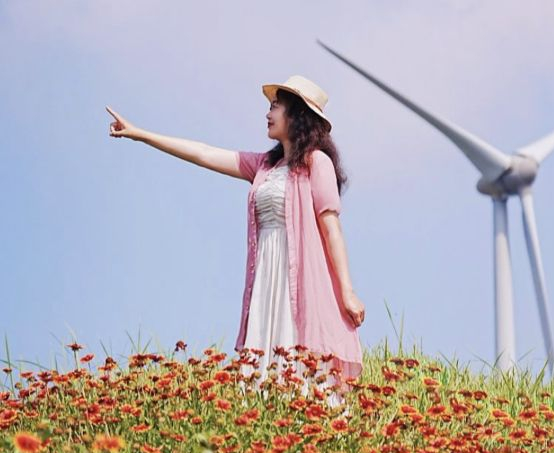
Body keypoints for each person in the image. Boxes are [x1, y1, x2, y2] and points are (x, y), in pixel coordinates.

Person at [106, 75, 365, 410]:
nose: (268, 113)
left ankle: (307, 411)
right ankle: (266, 411)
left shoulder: (317, 163)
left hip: (299, 277)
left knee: (297, 342)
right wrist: (141, 134)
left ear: (297, 114)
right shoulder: (264, 166)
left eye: (275, 106)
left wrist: (347, 291)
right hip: (266, 275)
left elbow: (332, 229)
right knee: (265, 349)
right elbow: (204, 153)